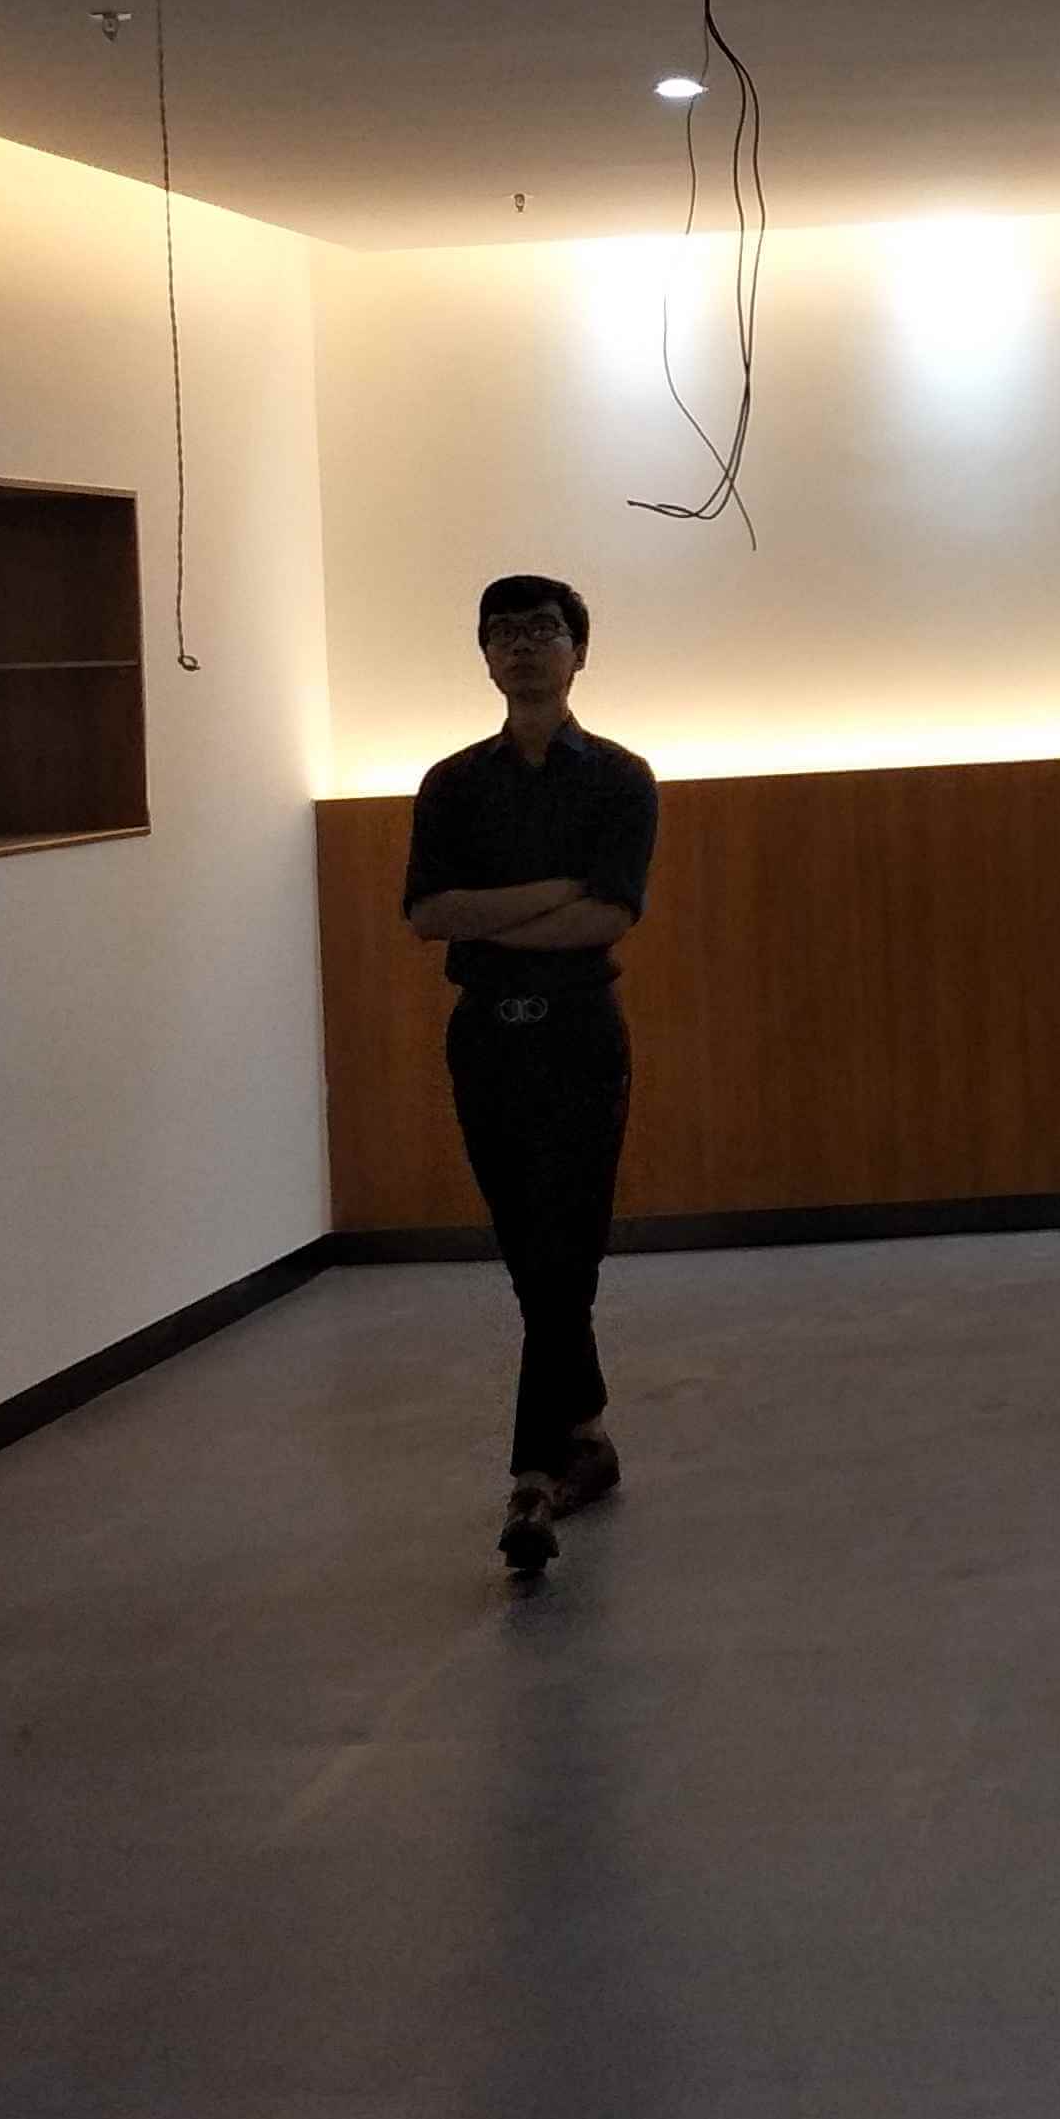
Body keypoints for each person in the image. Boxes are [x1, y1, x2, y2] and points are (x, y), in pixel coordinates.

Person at [398, 573, 661, 1580]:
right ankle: (585, 1435)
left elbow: (610, 915)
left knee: (565, 1252)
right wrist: (552, 891)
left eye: (543, 630)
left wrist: (492, 914)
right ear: (484, 656)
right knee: (530, 1254)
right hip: (486, 1041)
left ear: (578, 652)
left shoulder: (622, 779)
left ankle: (533, 1480)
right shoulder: (451, 786)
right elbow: (429, 915)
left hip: (581, 1034)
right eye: (502, 632)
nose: (522, 645)